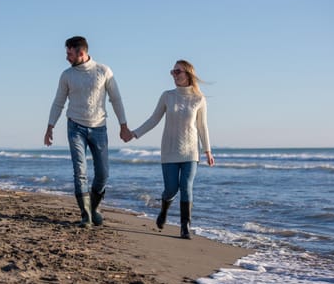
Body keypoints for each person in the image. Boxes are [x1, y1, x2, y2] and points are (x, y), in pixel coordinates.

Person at [44, 36, 131, 228]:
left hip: (99, 127)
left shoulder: (103, 71)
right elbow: (58, 102)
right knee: (80, 171)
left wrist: (123, 125)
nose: (66, 57)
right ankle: (86, 216)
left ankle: (93, 207)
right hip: (75, 126)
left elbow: (116, 99)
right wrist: (50, 126)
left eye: (69, 53)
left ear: (81, 53)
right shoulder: (67, 75)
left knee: (103, 174)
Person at [130, 60, 215, 239]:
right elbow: (154, 119)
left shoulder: (199, 99)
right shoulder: (167, 96)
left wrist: (207, 151)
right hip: (169, 150)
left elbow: (202, 126)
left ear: (188, 74)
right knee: (171, 189)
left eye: (178, 72)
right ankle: (164, 209)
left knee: (186, 186)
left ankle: (185, 227)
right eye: (173, 72)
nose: (174, 75)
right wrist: (135, 133)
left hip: (191, 151)